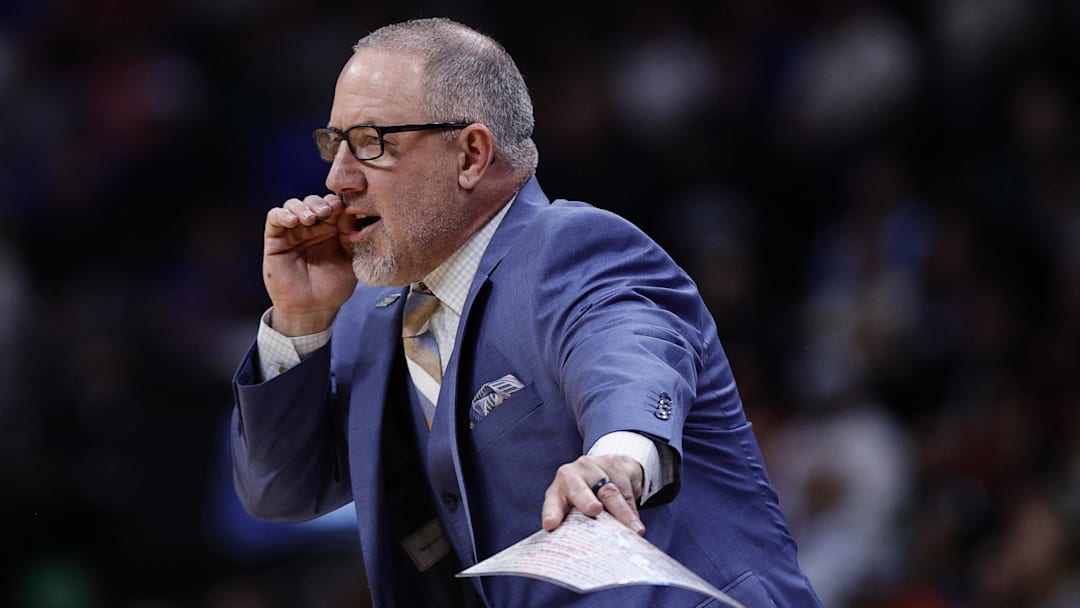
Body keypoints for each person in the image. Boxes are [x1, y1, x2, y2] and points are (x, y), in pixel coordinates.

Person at [230, 16, 822, 608]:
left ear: (471, 154)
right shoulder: (365, 316)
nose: (338, 179)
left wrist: (616, 459)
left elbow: (631, 356)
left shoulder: (573, 248)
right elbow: (280, 493)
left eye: (371, 144)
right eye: (334, 144)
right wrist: (301, 322)